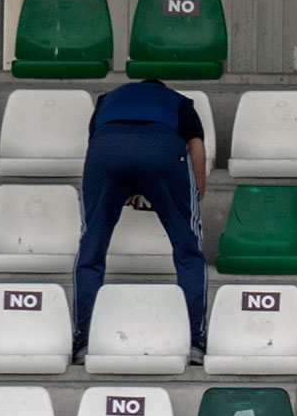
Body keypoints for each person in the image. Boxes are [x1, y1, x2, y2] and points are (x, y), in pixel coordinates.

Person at [70, 78, 208, 366]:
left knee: (91, 248)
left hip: (105, 149)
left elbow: (97, 144)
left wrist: (124, 188)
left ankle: (84, 340)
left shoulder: (107, 99)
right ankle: (194, 340)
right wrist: (194, 194)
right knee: (188, 250)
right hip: (162, 147)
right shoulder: (181, 102)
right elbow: (196, 149)